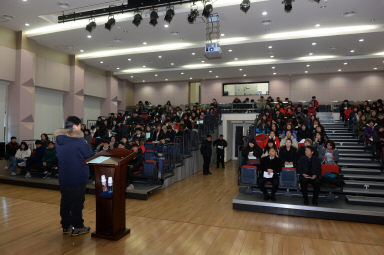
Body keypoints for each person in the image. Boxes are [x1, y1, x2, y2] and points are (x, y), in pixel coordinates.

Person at [54, 116, 94, 236]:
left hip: (64, 176)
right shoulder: (79, 141)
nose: (81, 127)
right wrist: (86, 143)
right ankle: (78, 227)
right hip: (77, 176)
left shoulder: (59, 140)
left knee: (65, 202)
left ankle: (66, 226)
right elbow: (89, 155)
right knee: (77, 203)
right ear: (75, 126)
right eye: (80, 125)